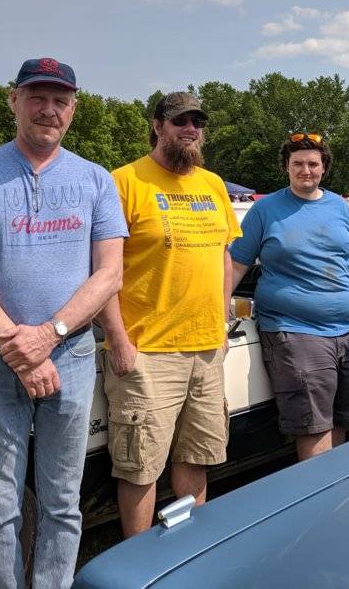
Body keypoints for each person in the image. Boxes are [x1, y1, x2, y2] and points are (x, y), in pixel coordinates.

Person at [0, 57, 127, 588]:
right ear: (13, 100)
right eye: (37, 97)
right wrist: (19, 346)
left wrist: (49, 335)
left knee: (63, 502)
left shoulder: (95, 180)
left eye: (61, 100)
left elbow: (109, 274)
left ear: (74, 109)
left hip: (71, 354)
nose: (49, 110)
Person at [98, 91, 241, 538]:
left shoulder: (212, 184)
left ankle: (188, 552)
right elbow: (101, 270)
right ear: (157, 125)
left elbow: (223, 256)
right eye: (180, 121)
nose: (191, 129)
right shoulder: (123, 181)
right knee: (140, 468)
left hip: (206, 350)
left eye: (197, 121)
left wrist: (221, 323)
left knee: (197, 458)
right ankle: (139, 561)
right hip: (147, 353)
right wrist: (119, 340)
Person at [230, 132, 349, 461]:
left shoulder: (340, 207)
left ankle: (334, 483)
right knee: (313, 426)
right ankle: (320, 490)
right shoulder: (265, 210)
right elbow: (236, 265)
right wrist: (218, 307)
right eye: (298, 164)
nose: (306, 170)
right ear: (286, 167)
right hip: (296, 332)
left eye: (312, 164)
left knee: (341, 419)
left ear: (324, 168)